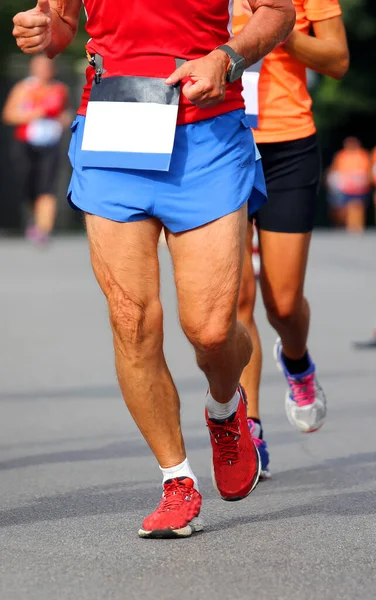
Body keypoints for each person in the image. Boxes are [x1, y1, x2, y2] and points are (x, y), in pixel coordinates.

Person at [13, 0, 295, 538]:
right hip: (115, 126)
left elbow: (278, 13)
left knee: (211, 331)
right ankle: (176, 480)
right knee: (131, 319)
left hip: (207, 132)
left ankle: (224, 406)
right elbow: (62, 24)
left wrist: (227, 57)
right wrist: (44, 31)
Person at [233, 0, 349, 478]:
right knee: (234, 301)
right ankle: (249, 430)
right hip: (222, 142)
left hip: (287, 146)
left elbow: (337, 60)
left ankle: (297, 361)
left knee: (281, 303)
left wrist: (280, 31)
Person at [2, 54, 70, 245]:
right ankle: (34, 219)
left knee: (47, 187)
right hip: (26, 144)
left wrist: (63, 119)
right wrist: (35, 113)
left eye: (47, 67)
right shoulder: (23, 89)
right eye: (39, 67)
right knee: (29, 186)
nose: (43, 71)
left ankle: (43, 229)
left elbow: (65, 114)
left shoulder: (59, 89)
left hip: (50, 145)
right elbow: (8, 115)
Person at [326, 136, 371, 233]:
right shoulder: (341, 155)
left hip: (358, 188)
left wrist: (366, 180)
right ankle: (344, 227)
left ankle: (357, 230)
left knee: (357, 208)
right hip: (343, 188)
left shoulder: (363, 155)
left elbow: (368, 171)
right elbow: (334, 169)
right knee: (342, 211)